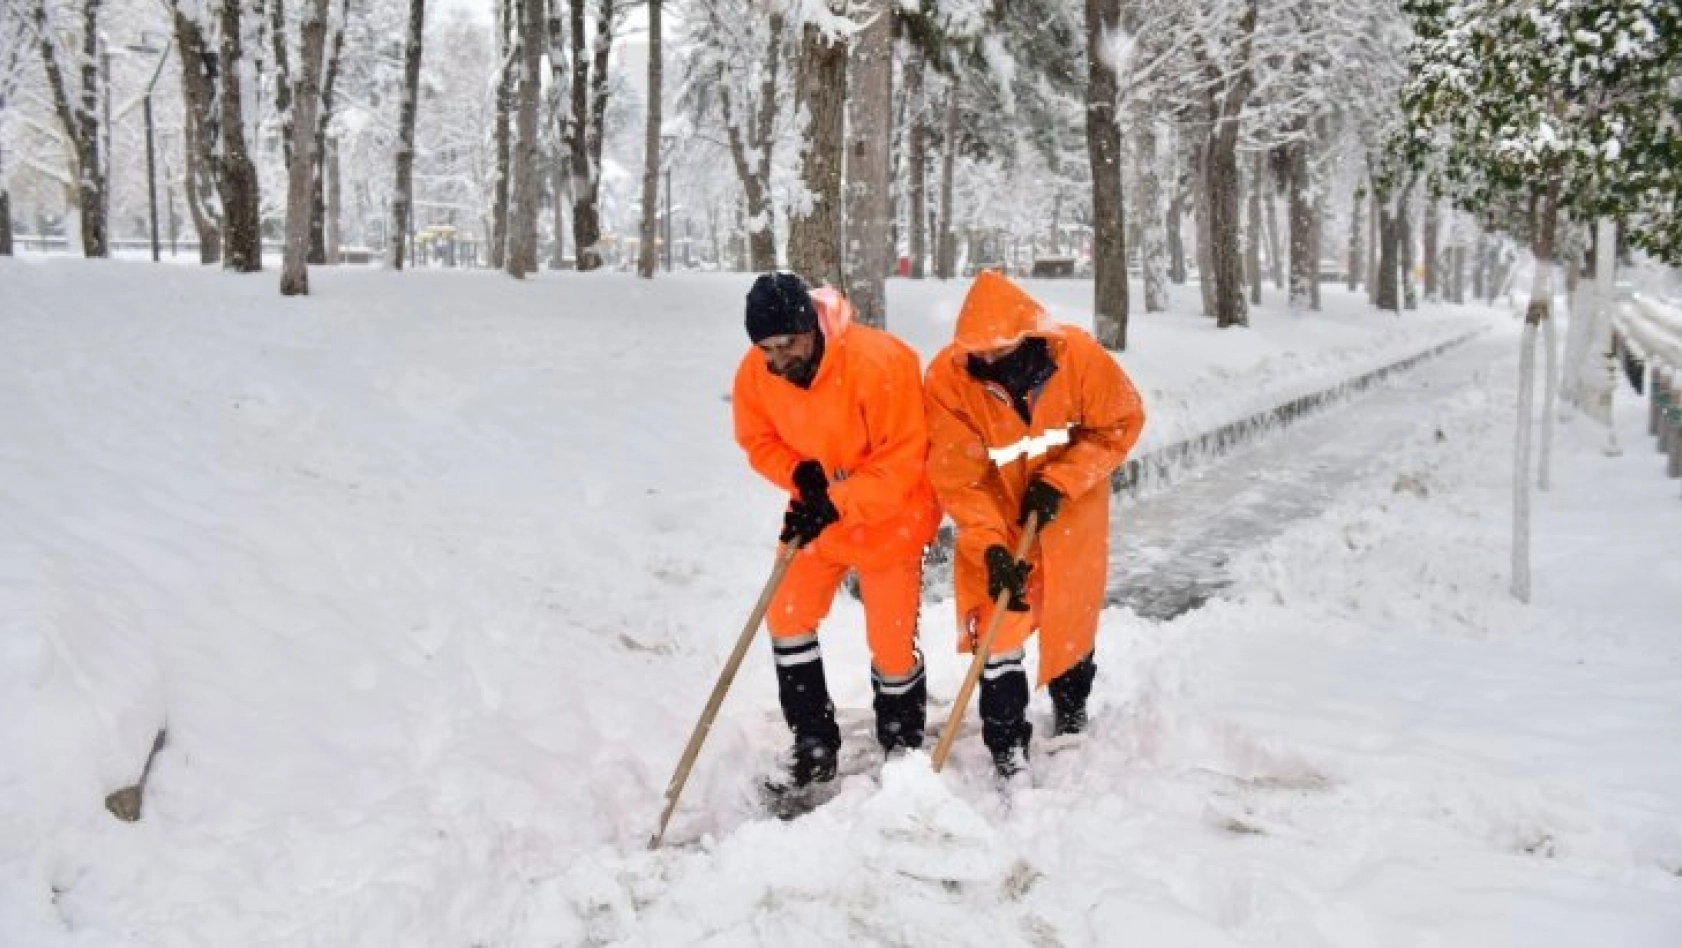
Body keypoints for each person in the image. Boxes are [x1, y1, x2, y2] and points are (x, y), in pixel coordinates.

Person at [923, 270, 1146, 780]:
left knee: (1070, 605)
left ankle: (1071, 704)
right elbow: (959, 477)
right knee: (997, 619)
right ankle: (1005, 738)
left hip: (1069, 503)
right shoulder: (949, 381)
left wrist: (1063, 479)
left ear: (1028, 337)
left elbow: (1121, 422)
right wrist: (990, 547)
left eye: (1003, 352)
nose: (993, 365)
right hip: (996, 508)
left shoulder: (1078, 358)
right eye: (982, 355)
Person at [732, 271, 942, 791]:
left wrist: (837, 500)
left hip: (891, 516)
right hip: (817, 514)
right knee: (785, 614)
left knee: (891, 643)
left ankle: (901, 740)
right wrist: (796, 472)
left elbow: (902, 464)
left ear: (811, 326)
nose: (779, 359)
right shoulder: (757, 373)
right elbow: (757, 438)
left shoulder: (882, 362)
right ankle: (812, 740)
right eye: (766, 349)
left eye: (788, 344)